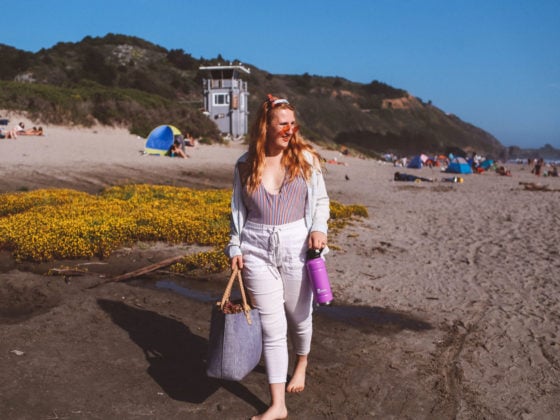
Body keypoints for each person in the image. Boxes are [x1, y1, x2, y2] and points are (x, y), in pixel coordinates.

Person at [225, 94, 330, 420]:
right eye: (282, 123)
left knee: (299, 319)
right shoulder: (244, 165)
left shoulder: (306, 159)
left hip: (296, 245)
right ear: (265, 126)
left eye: (292, 123)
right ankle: (277, 405)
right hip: (255, 247)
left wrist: (319, 228)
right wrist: (235, 247)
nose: (289, 129)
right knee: (271, 327)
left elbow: (321, 202)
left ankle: (301, 362)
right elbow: (236, 213)